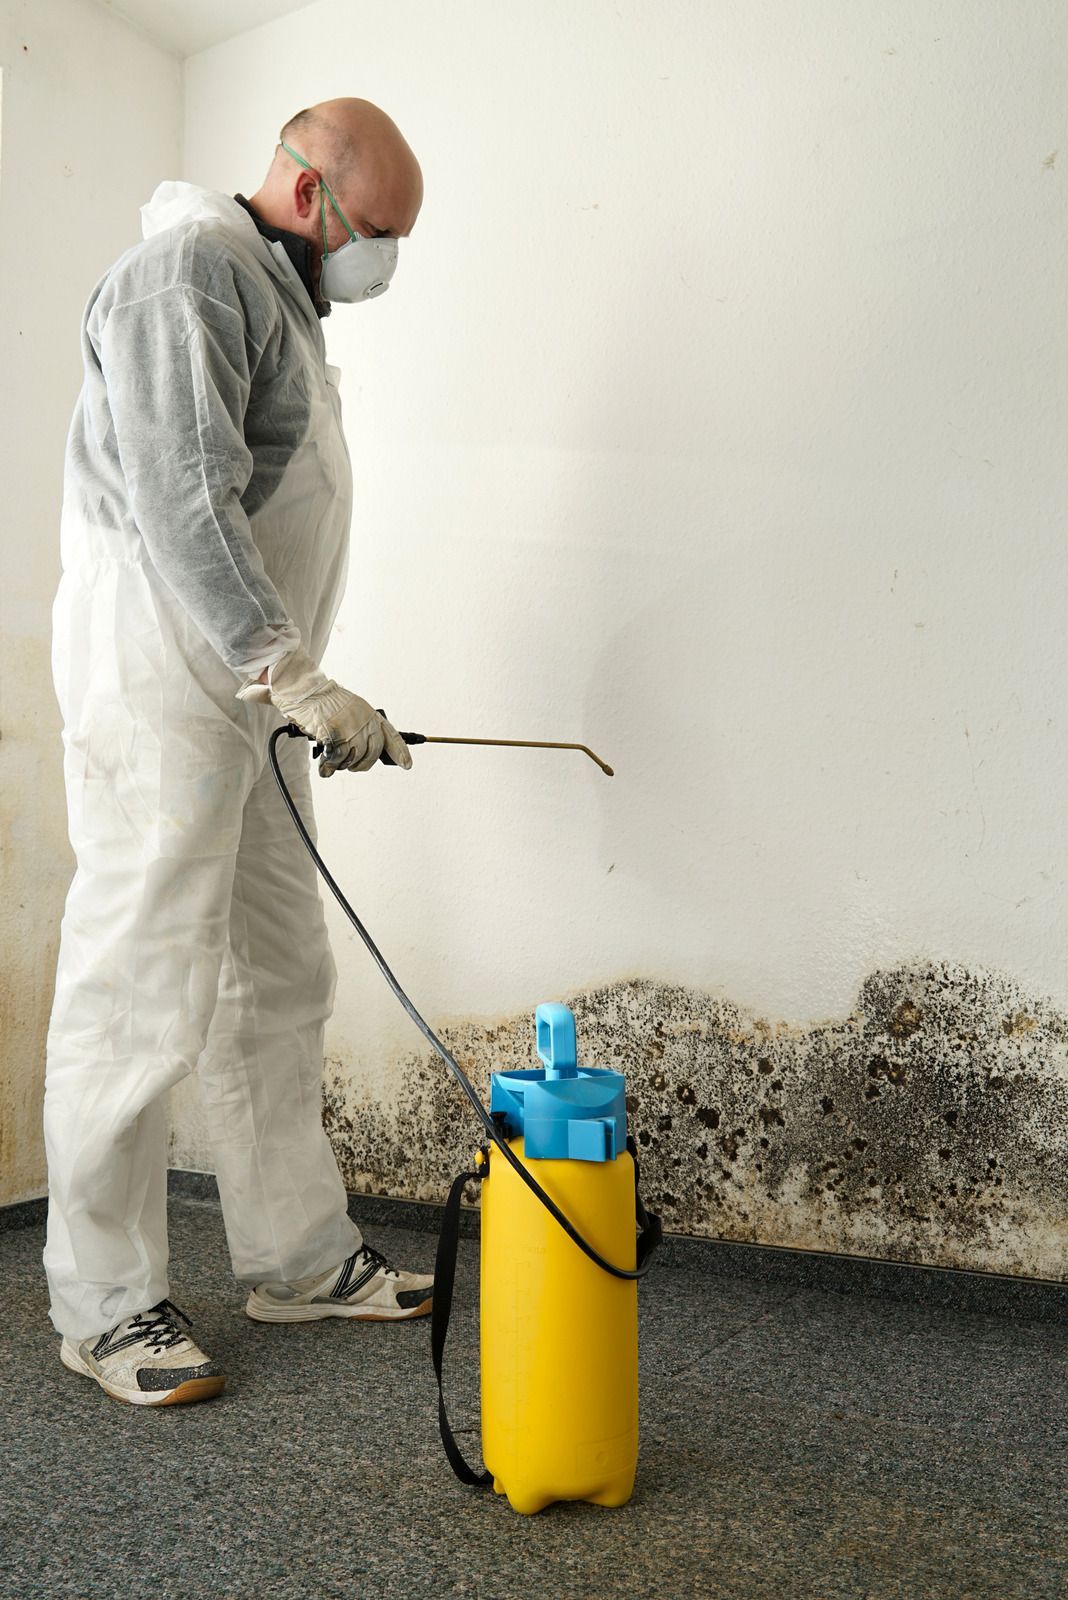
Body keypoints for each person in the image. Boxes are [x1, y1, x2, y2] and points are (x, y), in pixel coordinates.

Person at [44, 99, 431, 1407]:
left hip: (250, 688)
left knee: (281, 968)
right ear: (310, 188)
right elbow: (176, 489)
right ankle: (103, 1302)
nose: (382, 263)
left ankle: (297, 1256)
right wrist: (287, 667)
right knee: (141, 978)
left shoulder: (279, 300)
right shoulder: (188, 270)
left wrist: (289, 683)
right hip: (161, 671)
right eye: (377, 233)